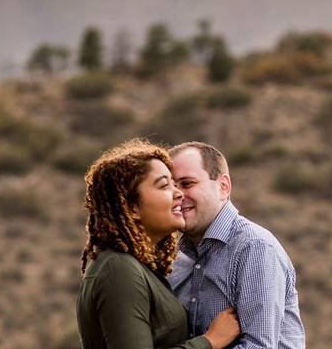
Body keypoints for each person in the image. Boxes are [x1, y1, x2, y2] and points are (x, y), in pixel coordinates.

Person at [77, 138, 241, 349]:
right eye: (165, 185)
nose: (179, 193)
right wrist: (210, 341)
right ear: (132, 206)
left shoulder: (133, 266)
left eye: (178, 184)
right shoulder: (117, 268)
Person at [169, 141, 306, 349]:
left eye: (187, 183)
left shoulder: (254, 248)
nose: (177, 195)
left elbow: (258, 346)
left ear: (224, 187)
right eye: (170, 187)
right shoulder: (176, 258)